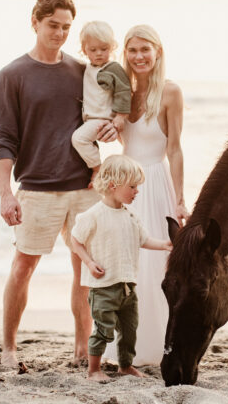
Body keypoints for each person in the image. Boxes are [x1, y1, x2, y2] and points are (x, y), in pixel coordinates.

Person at [0, 0, 114, 368]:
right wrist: (5, 193)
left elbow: (99, 114)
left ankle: (81, 348)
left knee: (85, 271)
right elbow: (2, 138)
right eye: (52, 25)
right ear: (35, 22)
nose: (59, 33)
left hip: (84, 189)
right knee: (23, 267)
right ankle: (9, 348)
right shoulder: (13, 75)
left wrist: (109, 131)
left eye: (65, 27)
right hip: (37, 190)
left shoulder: (82, 71)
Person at [100, 24, 190, 366]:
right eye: (132, 50)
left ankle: (157, 347)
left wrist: (180, 199)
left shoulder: (170, 92)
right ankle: (120, 346)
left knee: (156, 266)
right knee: (123, 262)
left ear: (158, 52)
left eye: (144, 50)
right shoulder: (121, 93)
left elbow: (176, 149)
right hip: (123, 185)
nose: (138, 57)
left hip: (154, 183)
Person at [70, 154, 173, 381]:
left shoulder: (131, 215)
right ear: (113, 185)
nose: (137, 192)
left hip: (128, 287)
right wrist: (88, 261)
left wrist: (165, 245)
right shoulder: (93, 215)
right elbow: (75, 240)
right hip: (104, 287)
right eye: (133, 187)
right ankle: (94, 370)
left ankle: (125, 365)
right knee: (103, 330)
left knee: (129, 330)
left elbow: (143, 240)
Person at [71, 21, 131, 183]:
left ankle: (98, 169)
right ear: (84, 50)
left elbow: (123, 91)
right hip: (91, 118)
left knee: (79, 139)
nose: (98, 53)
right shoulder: (89, 67)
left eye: (104, 49)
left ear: (112, 47)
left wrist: (120, 116)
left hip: (101, 119)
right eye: (93, 49)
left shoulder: (112, 68)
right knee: (127, 148)